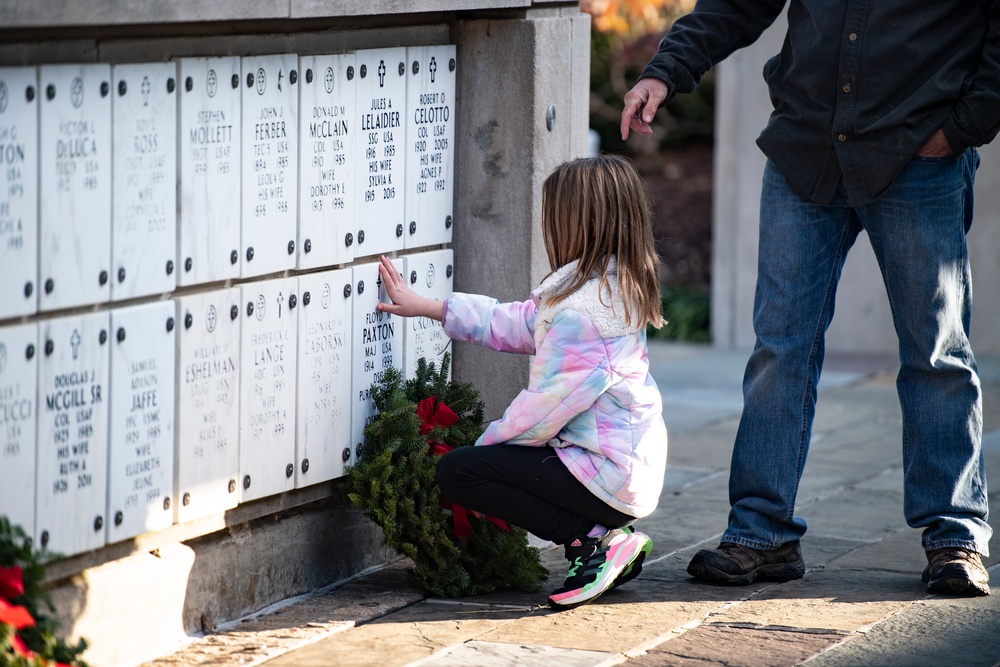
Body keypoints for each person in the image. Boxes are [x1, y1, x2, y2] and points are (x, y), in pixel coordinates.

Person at [621, 1, 995, 596]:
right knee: (780, 349)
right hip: (808, 151)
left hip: (918, 156)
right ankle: (761, 534)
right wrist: (664, 70)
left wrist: (960, 129)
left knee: (936, 353)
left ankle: (954, 534)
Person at [375, 154, 669, 609]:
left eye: (553, 216)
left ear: (576, 222)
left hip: (607, 475)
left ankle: (591, 542)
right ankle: (604, 539)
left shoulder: (581, 312)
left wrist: (484, 450)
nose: (547, 227)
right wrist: (430, 307)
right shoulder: (607, 287)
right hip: (620, 468)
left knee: (459, 473)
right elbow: (515, 321)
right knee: (488, 465)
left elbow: (541, 413)